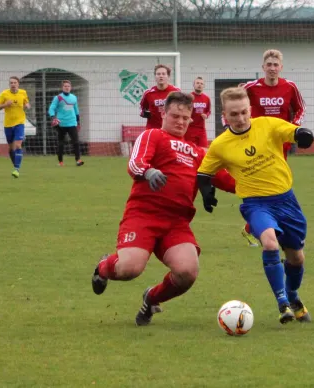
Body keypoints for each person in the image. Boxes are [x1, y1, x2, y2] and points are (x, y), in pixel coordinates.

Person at [91, 92, 235, 326]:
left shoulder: (199, 152)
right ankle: (103, 267)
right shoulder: (153, 136)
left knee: (188, 272)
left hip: (176, 223)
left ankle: (151, 299)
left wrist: (260, 186)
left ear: (191, 120)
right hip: (143, 216)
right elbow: (135, 163)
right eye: (175, 116)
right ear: (163, 114)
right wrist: (148, 171)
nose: (180, 121)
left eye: (185, 118)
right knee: (129, 268)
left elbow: (227, 180)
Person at [196, 87, 314, 324]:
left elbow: (292, 131)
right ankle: (282, 302)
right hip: (256, 204)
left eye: (243, 112)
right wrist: (206, 192)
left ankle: (292, 295)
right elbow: (204, 172)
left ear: (250, 110)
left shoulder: (267, 125)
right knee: (269, 242)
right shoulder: (221, 145)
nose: (240, 119)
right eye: (233, 114)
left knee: (296, 258)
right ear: (224, 115)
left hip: (286, 201)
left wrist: (302, 133)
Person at [239, 49, 306, 247]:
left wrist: (293, 127)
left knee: (277, 181)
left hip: (281, 142)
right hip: (258, 141)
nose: (272, 68)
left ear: (281, 68)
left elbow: (301, 107)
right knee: (262, 180)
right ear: (263, 68)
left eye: (276, 65)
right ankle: (261, 223)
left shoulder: (290, 87)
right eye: (269, 65)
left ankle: (258, 226)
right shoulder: (252, 87)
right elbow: (236, 103)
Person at [0, 76, 31, 178]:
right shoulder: (4, 94)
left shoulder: (23, 93)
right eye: (11, 83)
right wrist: (5, 104)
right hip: (8, 124)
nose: (13, 84)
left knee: (18, 145)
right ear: (9, 84)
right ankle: (15, 165)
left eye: (15, 82)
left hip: (19, 123)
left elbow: (26, 102)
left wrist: (27, 105)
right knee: (11, 148)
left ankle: (17, 169)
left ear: (18, 84)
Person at [48, 80, 83, 167]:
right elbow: (51, 108)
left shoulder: (74, 97)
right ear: (62, 87)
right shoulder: (58, 97)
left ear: (70, 87)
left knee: (76, 142)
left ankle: (78, 160)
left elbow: (76, 110)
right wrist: (53, 117)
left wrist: (78, 121)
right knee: (61, 143)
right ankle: (60, 162)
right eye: (65, 86)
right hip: (61, 124)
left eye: (68, 86)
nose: (67, 87)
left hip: (72, 123)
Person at [139, 64, 181, 130]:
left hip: (170, 129)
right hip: (153, 128)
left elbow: (181, 108)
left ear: (168, 76)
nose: (161, 76)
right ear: (155, 76)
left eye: (163, 74)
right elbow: (142, 108)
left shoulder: (176, 91)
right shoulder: (148, 93)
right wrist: (145, 113)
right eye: (158, 74)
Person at [186, 77, 211, 148]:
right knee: (191, 149)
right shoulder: (189, 97)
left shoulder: (206, 98)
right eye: (197, 83)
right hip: (190, 128)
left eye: (201, 83)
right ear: (193, 85)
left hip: (201, 128)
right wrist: (188, 117)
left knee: (204, 149)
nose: (199, 85)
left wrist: (206, 115)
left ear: (204, 86)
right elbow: (184, 110)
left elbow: (208, 111)